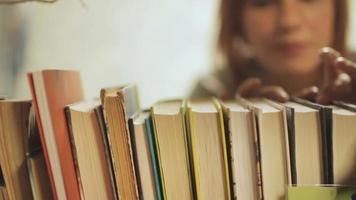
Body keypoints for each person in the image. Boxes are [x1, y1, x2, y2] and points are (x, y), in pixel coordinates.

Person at [190, 0, 356, 105]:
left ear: (337, 9)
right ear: (237, 20)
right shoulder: (210, 96)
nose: (289, 21)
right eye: (263, 2)